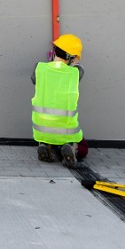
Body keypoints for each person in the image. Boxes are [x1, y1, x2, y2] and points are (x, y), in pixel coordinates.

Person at [31, 34, 86, 167]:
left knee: (49, 137)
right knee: (83, 146)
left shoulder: (39, 68)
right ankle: (72, 149)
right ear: (71, 57)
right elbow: (74, 69)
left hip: (42, 129)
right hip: (66, 129)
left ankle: (46, 146)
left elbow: (34, 80)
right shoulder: (77, 72)